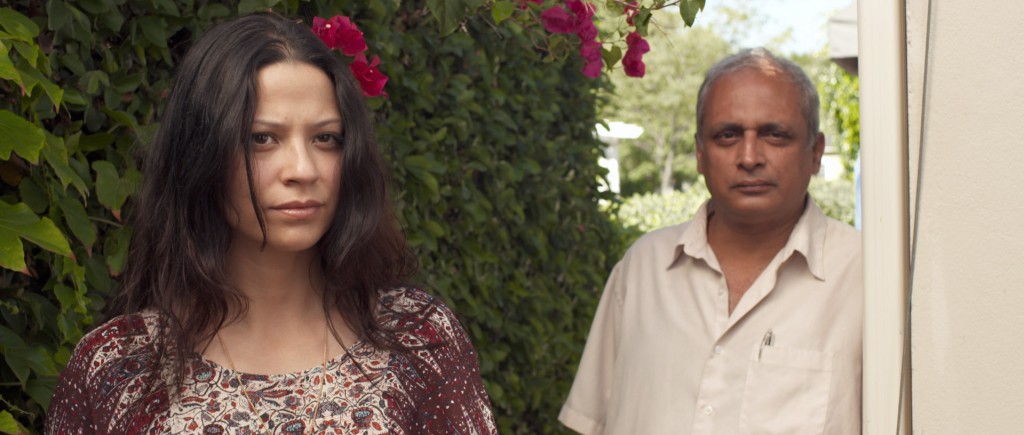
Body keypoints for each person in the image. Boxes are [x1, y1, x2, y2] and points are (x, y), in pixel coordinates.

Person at [46, 13, 497, 434]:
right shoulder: (119, 367)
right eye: (263, 139)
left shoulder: (418, 342)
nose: (303, 169)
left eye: (326, 138)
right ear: (202, 154)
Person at [559, 48, 863, 434]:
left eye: (774, 134)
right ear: (700, 153)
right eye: (727, 135)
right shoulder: (643, 269)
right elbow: (591, 421)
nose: (749, 156)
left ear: (816, 152)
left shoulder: (864, 278)